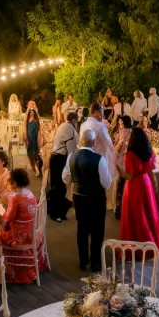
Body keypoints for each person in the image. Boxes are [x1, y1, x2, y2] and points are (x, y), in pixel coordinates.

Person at [63, 128, 112, 271]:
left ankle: (83, 260)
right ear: (94, 142)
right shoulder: (99, 159)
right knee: (97, 231)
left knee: (82, 229)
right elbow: (106, 183)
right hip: (96, 199)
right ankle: (96, 263)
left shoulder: (72, 156)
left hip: (79, 197)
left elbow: (65, 178)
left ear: (81, 141)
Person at [0, 168, 46, 284]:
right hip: (31, 233)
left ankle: (0, 273)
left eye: (9, 183)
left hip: (19, 237)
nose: (8, 186)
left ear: (14, 183)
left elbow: (6, 221)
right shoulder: (30, 193)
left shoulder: (15, 197)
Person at [118, 128, 159, 252]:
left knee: (137, 215)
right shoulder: (149, 151)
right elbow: (150, 170)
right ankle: (152, 241)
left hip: (134, 185)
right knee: (148, 213)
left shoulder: (130, 154)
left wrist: (117, 166)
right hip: (146, 183)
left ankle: (139, 245)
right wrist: (153, 185)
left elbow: (128, 175)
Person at [81, 105, 119, 208]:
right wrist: (115, 153)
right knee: (99, 185)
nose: (103, 115)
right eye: (102, 112)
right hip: (98, 159)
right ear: (96, 112)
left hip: (84, 158)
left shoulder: (83, 124)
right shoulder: (99, 125)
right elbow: (108, 144)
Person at [47, 112, 79, 222]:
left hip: (55, 157)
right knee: (59, 187)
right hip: (60, 159)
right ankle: (55, 213)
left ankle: (53, 209)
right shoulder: (70, 129)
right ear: (74, 119)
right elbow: (71, 150)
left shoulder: (63, 125)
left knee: (56, 186)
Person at [112, 115, 133, 219]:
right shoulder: (131, 131)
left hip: (122, 158)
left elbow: (118, 145)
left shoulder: (122, 132)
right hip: (129, 158)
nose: (119, 122)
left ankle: (119, 209)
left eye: (121, 121)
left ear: (124, 122)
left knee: (120, 182)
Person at [24, 108, 43, 177]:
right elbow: (25, 129)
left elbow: (38, 132)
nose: (32, 113)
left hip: (34, 140)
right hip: (29, 140)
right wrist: (25, 138)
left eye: (33, 112)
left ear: (35, 113)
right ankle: (34, 168)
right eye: (31, 112)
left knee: (35, 155)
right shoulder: (27, 121)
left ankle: (38, 170)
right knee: (29, 154)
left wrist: (39, 142)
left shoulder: (36, 121)